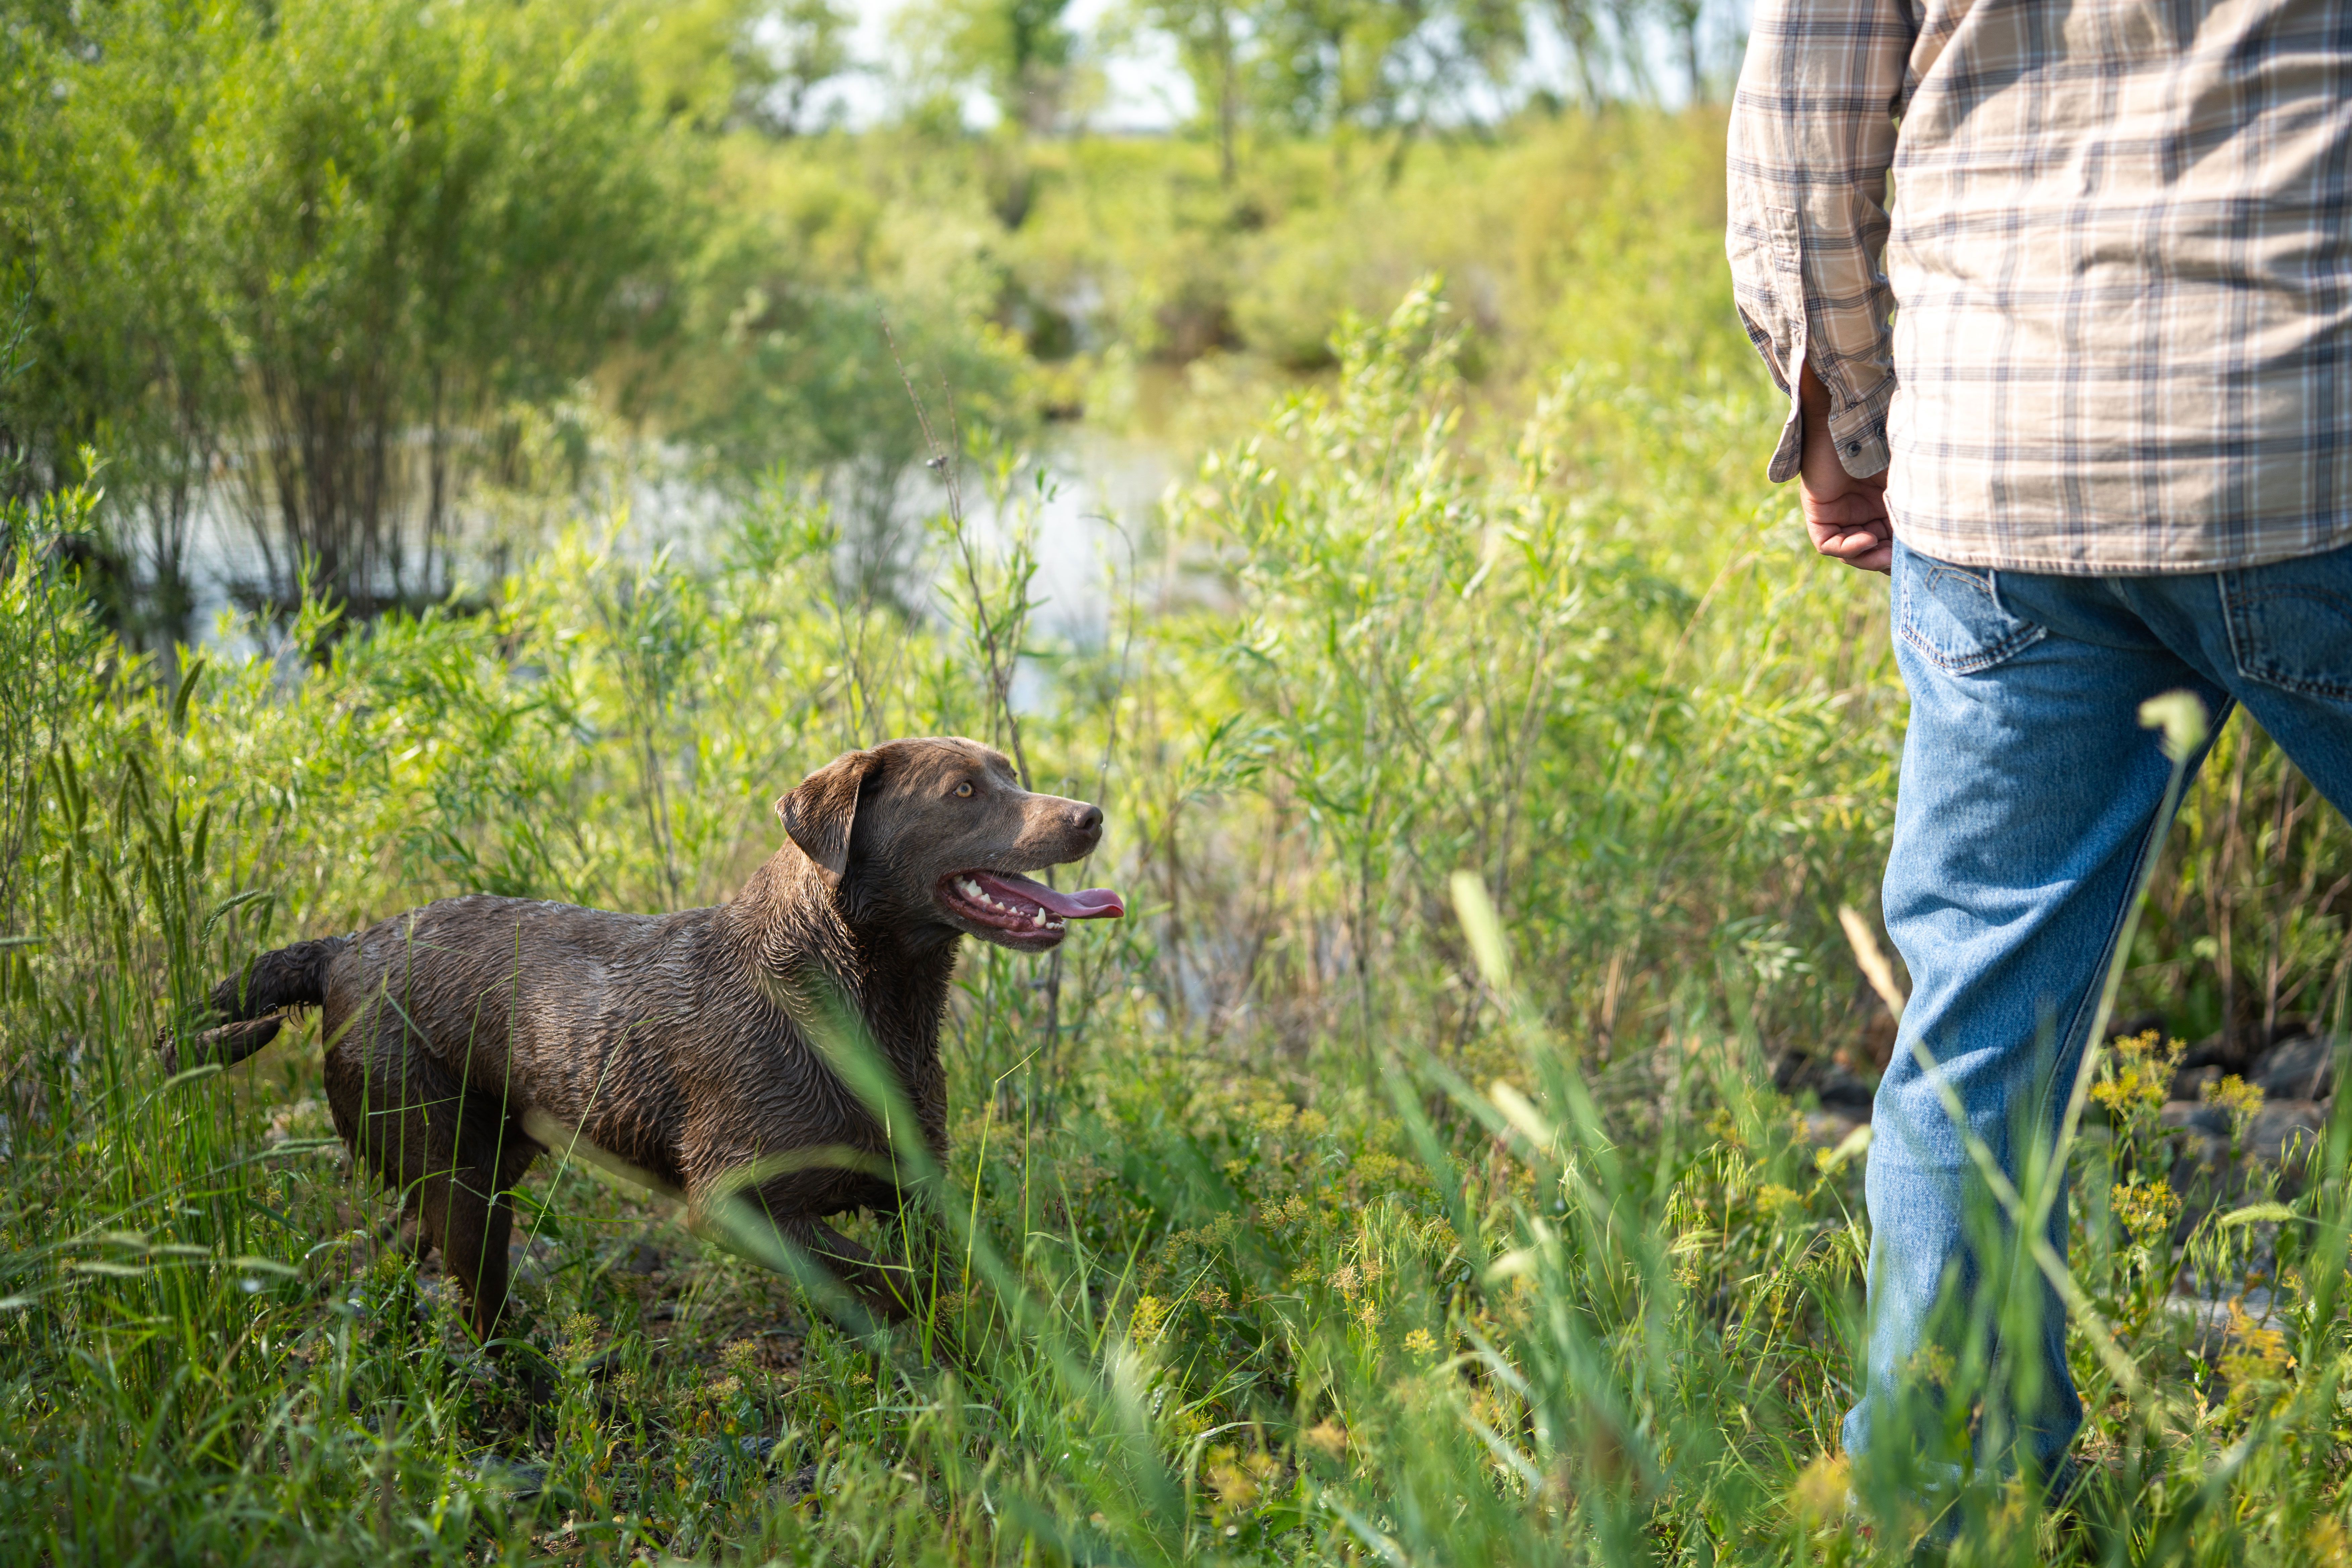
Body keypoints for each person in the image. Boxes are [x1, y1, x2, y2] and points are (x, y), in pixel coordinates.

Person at [1726, 0, 2352, 1494]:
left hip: (2007, 456)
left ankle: (1952, 1494)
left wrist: (1840, 415)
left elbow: (1805, 109)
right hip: (2308, 433)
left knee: (1981, 1022)